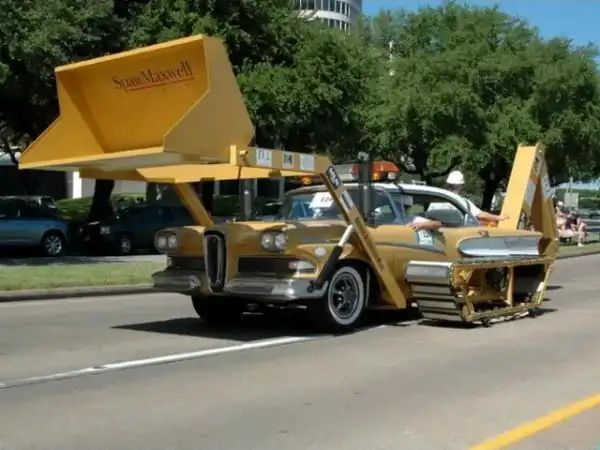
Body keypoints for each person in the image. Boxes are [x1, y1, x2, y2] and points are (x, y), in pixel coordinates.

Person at [428, 170, 509, 224]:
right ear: (462, 186)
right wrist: (498, 218)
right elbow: (480, 214)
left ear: (448, 184)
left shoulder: (437, 200)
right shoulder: (463, 202)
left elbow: (429, 217)